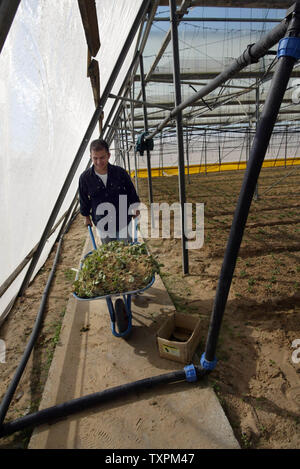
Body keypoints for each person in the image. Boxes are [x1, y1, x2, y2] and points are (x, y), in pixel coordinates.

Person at [79, 139, 140, 244]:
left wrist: (135, 207)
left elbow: (131, 192)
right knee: (108, 252)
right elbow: (84, 199)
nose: (99, 162)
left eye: (102, 157)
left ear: (108, 155)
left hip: (123, 220)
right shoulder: (85, 178)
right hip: (102, 223)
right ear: (90, 157)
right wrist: (86, 216)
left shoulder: (120, 173)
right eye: (95, 158)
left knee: (126, 252)